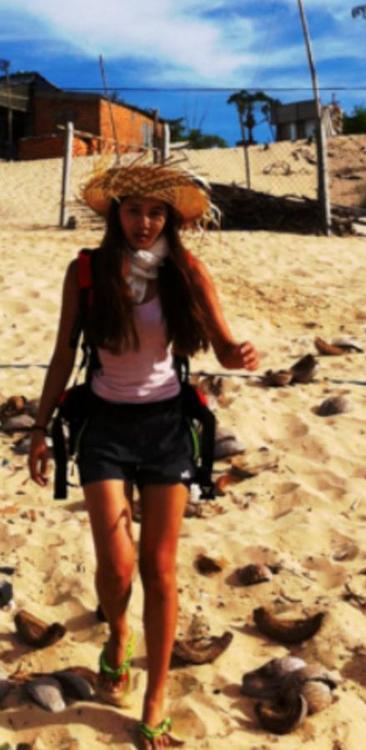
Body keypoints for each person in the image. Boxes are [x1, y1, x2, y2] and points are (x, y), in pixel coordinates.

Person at [28, 162, 259, 749]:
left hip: (167, 427)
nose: (145, 222)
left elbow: (223, 346)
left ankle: (155, 694)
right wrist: (40, 427)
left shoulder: (187, 270)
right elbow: (62, 354)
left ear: (171, 221)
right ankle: (117, 632)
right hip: (103, 426)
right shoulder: (86, 271)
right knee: (116, 567)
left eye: (157, 213)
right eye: (134, 210)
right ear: (116, 214)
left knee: (159, 568)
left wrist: (238, 354)